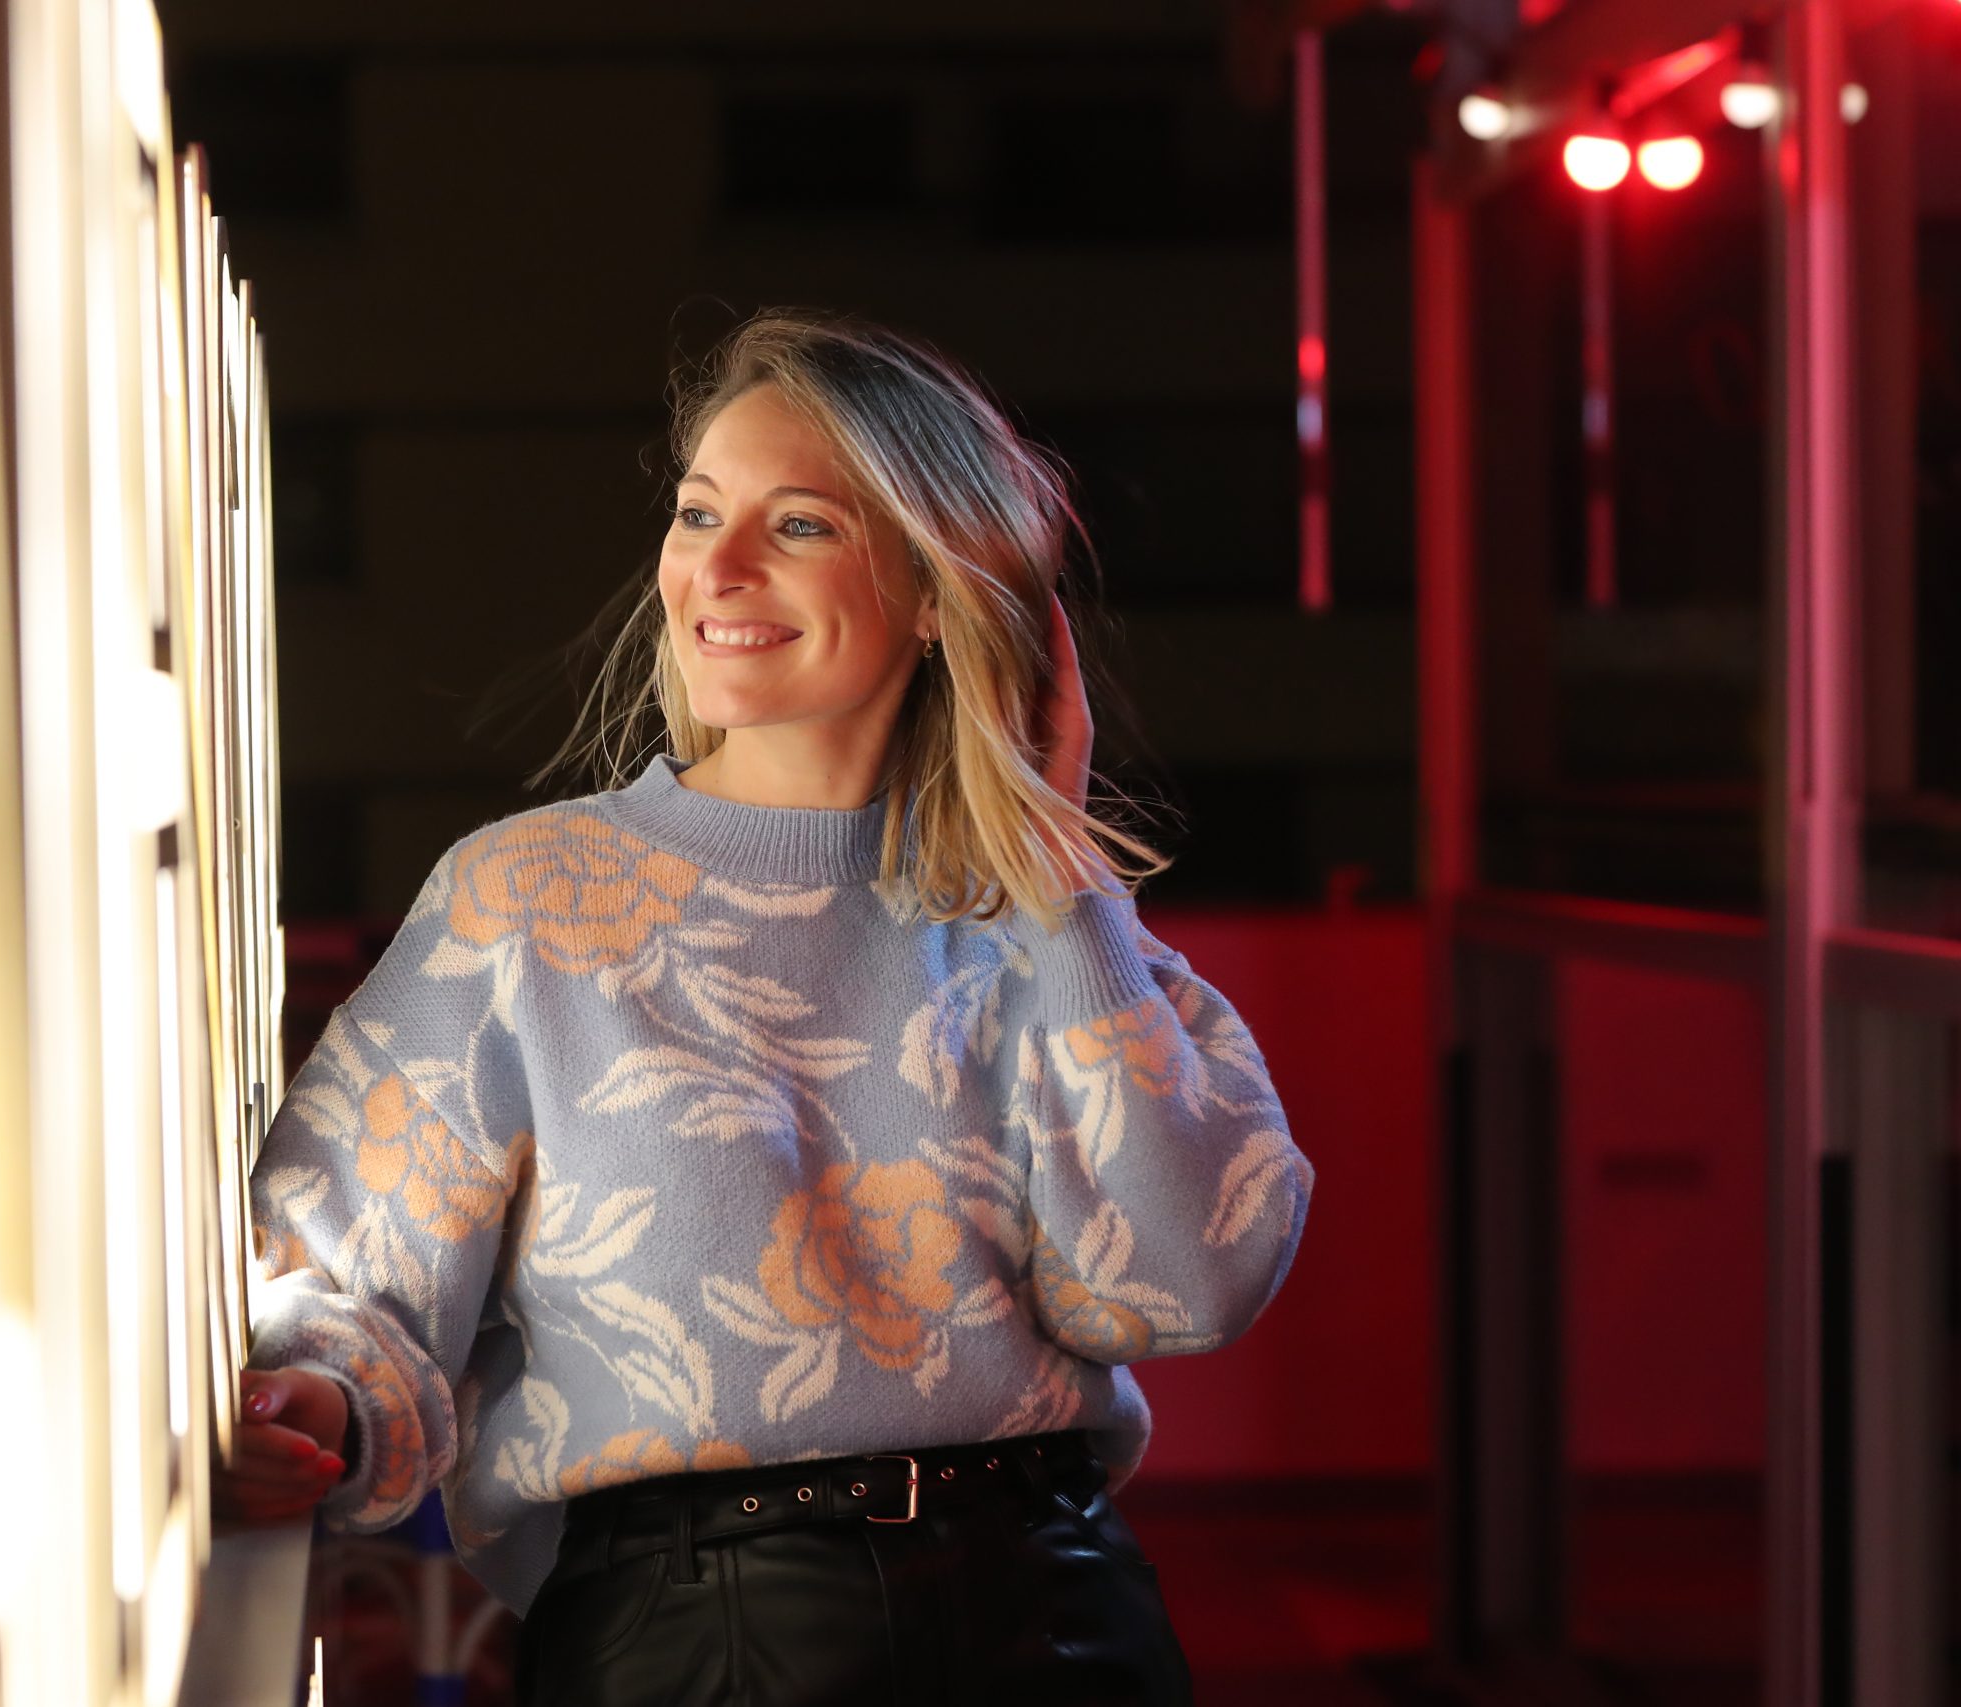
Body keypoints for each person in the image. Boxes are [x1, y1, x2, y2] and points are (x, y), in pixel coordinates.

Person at [224, 308, 1315, 1706]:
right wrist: (305, 1407)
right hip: (697, 1638)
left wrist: (1059, 870)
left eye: (798, 525)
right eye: (698, 513)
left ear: (941, 590)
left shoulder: (1046, 924)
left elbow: (1190, 1281)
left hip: (1059, 1613)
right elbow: (340, 1273)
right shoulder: (530, 899)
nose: (718, 567)